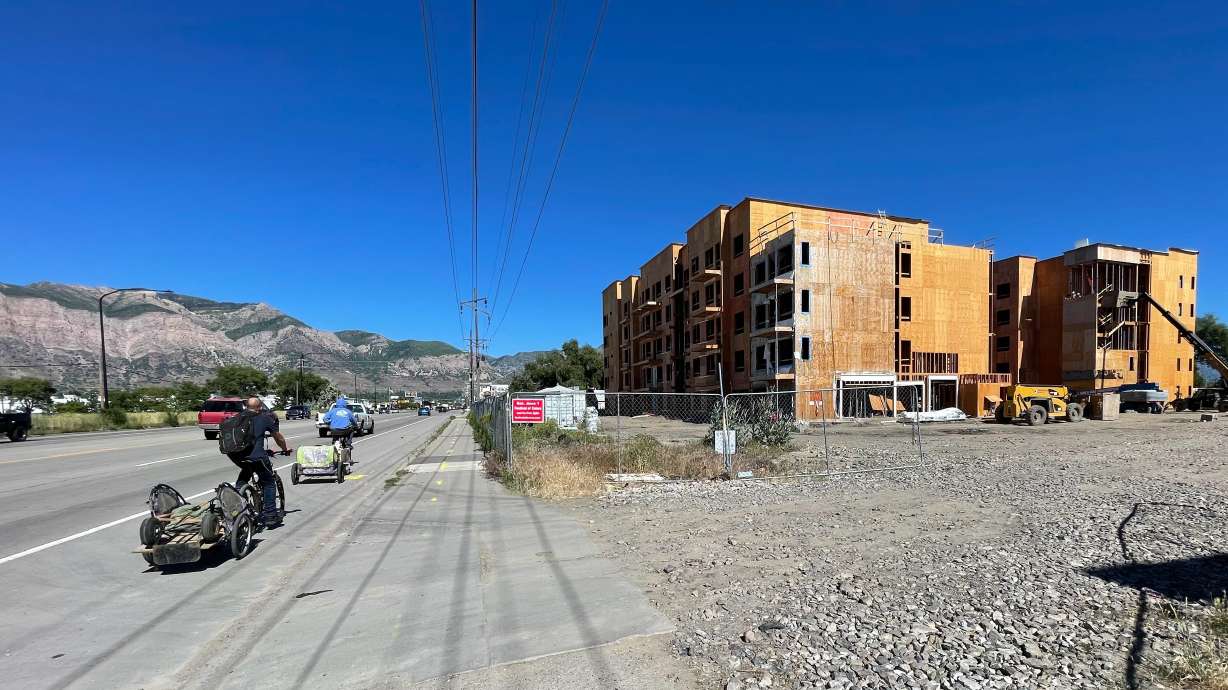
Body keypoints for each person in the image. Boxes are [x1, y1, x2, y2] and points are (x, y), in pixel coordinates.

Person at [226, 396, 289, 527]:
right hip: (257, 457)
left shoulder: (236, 418)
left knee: (244, 474)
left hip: (235, 456)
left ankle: (239, 506)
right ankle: (270, 515)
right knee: (269, 483)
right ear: (260, 407)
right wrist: (285, 449)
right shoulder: (264, 418)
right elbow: (278, 437)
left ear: (246, 406)